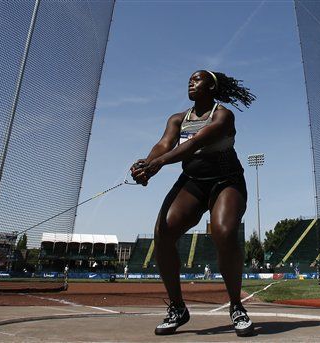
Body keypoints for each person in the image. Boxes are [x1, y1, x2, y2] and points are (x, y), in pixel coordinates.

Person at [131, 70, 255, 337]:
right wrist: (145, 163)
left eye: (197, 79)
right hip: (194, 181)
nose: (190, 81)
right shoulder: (177, 119)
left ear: (211, 87)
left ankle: (236, 306)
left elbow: (195, 142)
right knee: (162, 233)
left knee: (224, 233)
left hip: (226, 181)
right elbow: (164, 144)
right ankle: (178, 308)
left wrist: (157, 165)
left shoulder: (223, 115)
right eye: (189, 78)